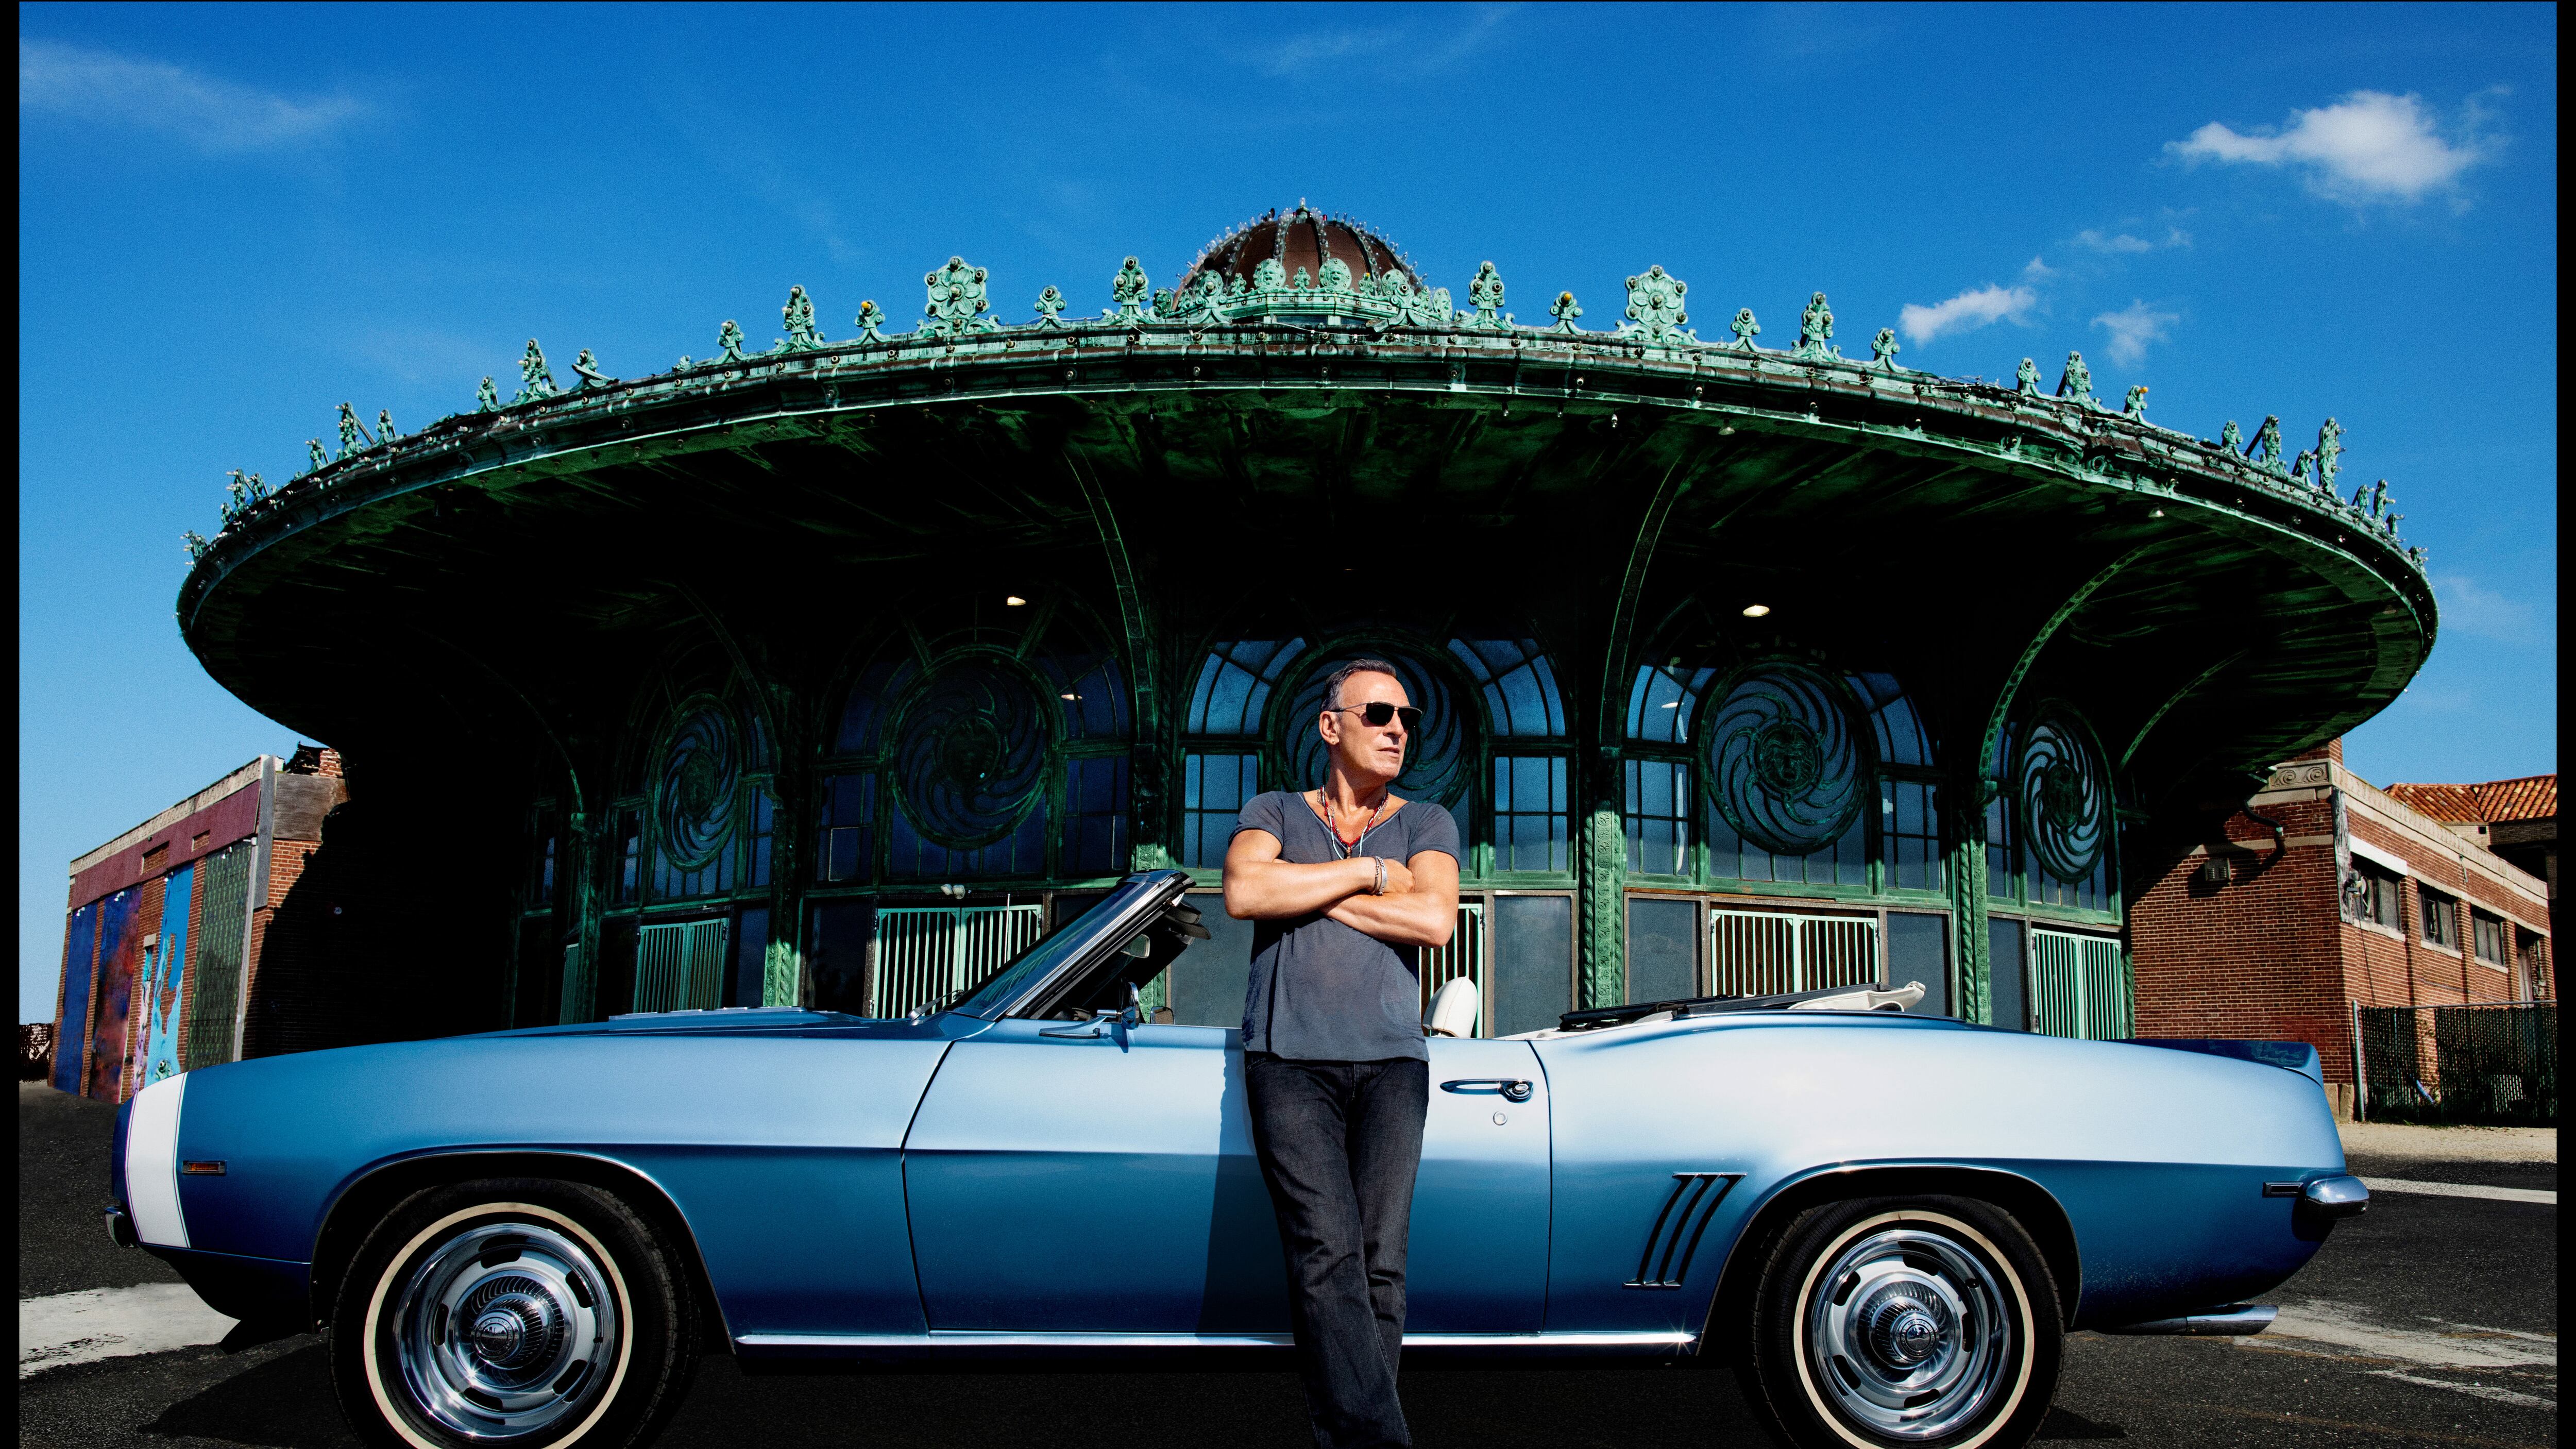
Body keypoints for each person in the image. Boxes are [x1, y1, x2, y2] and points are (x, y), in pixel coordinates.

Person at [1223, 659, 1460, 1449]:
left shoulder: (1427, 822)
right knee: (1326, 1252)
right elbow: (1245, 893)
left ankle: (1352, 1441)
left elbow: (1434, 921)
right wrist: (1368, 875)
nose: (1398, 729)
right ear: (1331, 726)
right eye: (1379, 714)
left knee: (1380, 1262)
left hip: (1394, 1065)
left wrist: (1308, 888)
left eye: (1407, 718)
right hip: (1289, 1061)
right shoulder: (1273, 810)